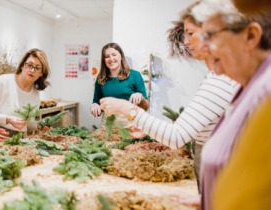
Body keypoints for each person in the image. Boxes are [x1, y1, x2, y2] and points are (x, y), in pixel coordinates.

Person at [99, 2, 239, 200]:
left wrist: (127, 108)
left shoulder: (222, 80)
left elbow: (176, 136)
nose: (186, 42)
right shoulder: (215, 76)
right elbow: (195, 128)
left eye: (190, 33)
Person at [192, 0, 271, 209]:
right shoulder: (247, 87)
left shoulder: (267, 91)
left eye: (210, 35)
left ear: (250, 36)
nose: (202, 47)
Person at [0, 49, 51, 136]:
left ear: (41, 73)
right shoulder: (3, 81)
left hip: (13, 140)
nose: (32, 70)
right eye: (29, 65)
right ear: (22, 66)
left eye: (37, 68)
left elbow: (27, 123)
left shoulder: (35, 94)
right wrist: (7, 119)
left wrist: (39, 125)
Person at [90, 43, 149, 128]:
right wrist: (95, 105)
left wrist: (140, 96)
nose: (111, 59)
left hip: (130, 122)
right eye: (107, 56)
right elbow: (97, 102)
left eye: (114, 55)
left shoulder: (135, 75)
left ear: (121, 56)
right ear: (104, 60)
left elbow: (145, 107)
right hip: (108, 124)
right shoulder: (100, 78)